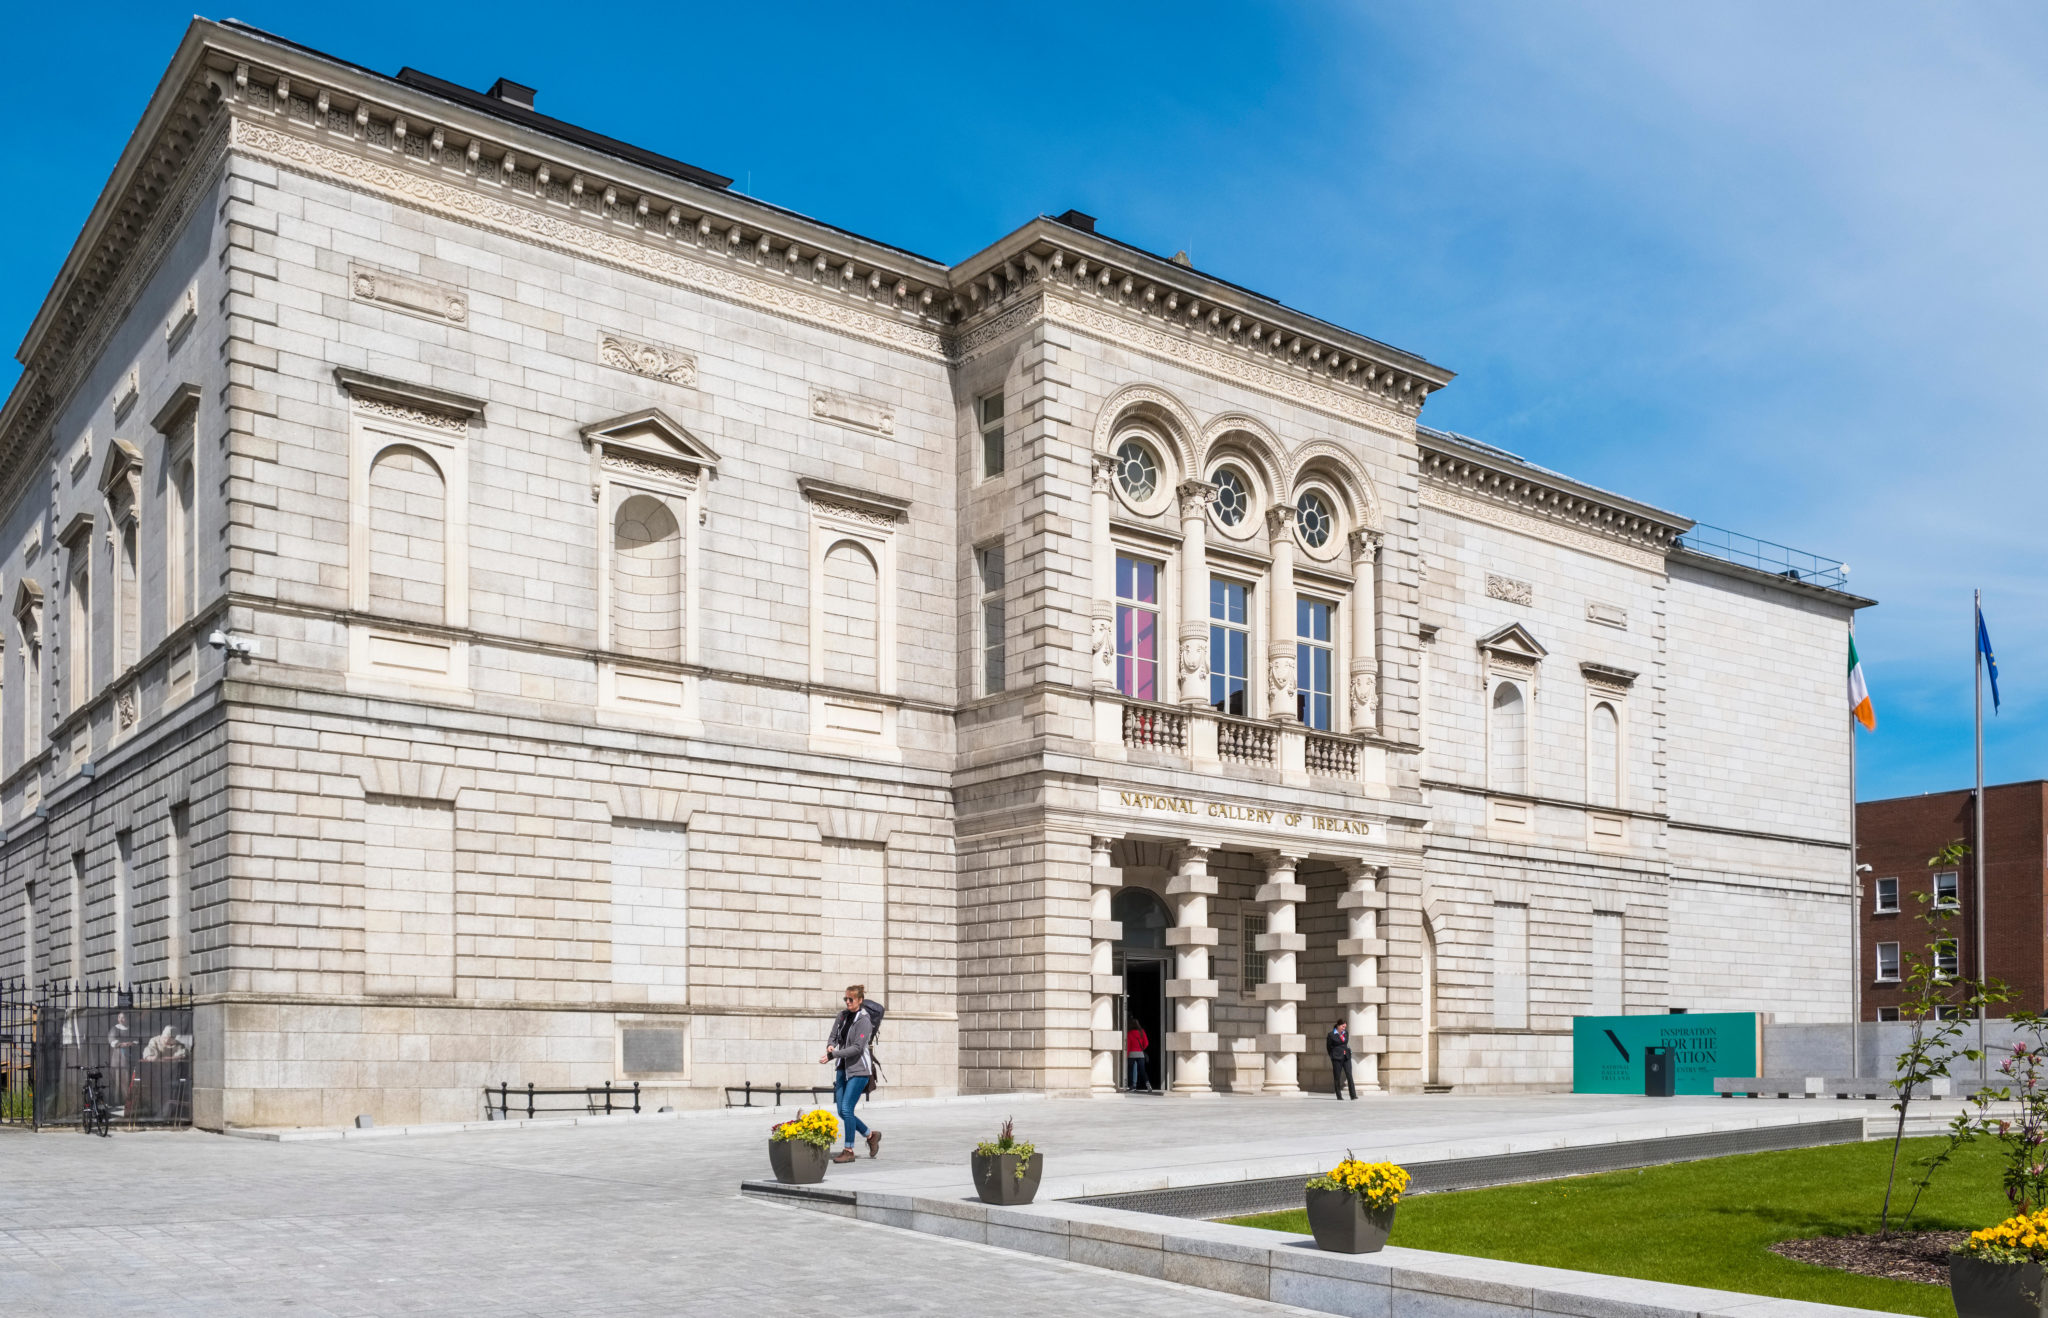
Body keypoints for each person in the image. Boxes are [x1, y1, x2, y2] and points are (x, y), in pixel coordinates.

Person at [820, 984, 882, 1164]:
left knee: (847, 1109)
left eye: (851, 999)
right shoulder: (842, 1016)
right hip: (842, 1068)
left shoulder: (864, 1020)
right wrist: (830, 1045)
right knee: (842, 1110)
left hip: (859, 1070)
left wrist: (833, 1055)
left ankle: (848, 1150)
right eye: (845, 999)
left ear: (860, 1000)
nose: (847, 1002)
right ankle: (871, 1136)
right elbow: (833, 1036)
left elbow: (857, 1048)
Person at [1327, 1020, 1357, 1100]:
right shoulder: (1331, 1035)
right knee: (1337, 1077)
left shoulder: (1346, 1033)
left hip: (1346, 1056)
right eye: (1343, 1026)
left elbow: (1345, 1043)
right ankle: (1339, 1095)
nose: (1344, 1028)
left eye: (1345, 1027)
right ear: (1338, 1026)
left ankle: (1353, 1095)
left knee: (1349, 1075)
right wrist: (1332, 1055)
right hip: (1336, 1057)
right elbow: (1329, 1047)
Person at [1126, 1020, 1151, 1092]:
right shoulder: (1142, 1032)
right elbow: (1146, 1043)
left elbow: (1128, 1045)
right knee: (1143, 1071)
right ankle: (1148, 1085)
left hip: (1131, 1054)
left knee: (1130, 1071)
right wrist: (1141, 1048)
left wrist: (1127, 1055)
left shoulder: (1129, 1033)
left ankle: (1132, 1086)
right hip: (1140, 1054)